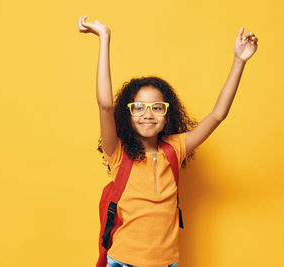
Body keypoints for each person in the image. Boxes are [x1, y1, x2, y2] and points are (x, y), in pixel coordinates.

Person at [77, 15, 258, 267]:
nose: (148, 114)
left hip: (167, 263)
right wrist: (104, 38)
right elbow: (105, 105)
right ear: (127, 115)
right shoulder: (118, 152)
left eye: (156, 107)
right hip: (122, 262)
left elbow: (218, 115)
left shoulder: (175, 148)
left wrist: (239, 61)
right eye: (138, 107)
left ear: (167, 114)